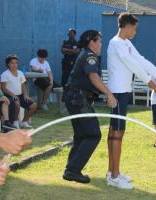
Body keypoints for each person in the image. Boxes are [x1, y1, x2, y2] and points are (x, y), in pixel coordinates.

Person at [106, 13, 156, 189]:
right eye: (134, 29)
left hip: (124, 91)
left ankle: (114, 172)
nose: (135, 32)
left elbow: (141, 61)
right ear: (127, 27)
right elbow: (133, 66)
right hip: (118, 92)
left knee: (117, 130)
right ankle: (113, 175)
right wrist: (155, 87)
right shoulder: (116, 43)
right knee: (117, 131)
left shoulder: (127, 43)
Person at [62, 30, 117, 184]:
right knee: (93, 134)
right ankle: (73, 170)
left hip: (75, 98)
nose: (101, 44)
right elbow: (94, 77)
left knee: (82, 135)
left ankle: (70, 170)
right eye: (99, 41)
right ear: (91, 42)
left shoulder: (85, 54)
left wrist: (102, 93)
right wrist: (109, 94)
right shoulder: (90, 56)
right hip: (78, 98)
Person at [1, 55, 37, 129]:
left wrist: (25, 95)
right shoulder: (4, 74)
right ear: (8, 64)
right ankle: (15, 122)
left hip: (20, 95)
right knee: (17, 103)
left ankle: (24, 122)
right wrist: (13, 95)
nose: (14, 65)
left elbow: (23, 85)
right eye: (12, 63)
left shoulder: (20, 73)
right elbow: (3, 88)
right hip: (9, 96)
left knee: (34, 105)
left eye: (16, 63)